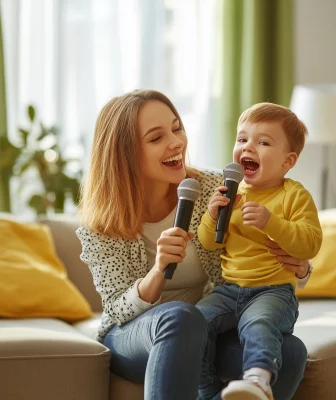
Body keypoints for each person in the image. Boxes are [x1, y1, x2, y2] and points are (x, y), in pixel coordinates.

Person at [76, 90, 313, 400]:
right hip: (135, 335)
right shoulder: (101, 224)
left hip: (204, 327)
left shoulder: (215, 189)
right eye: (156, 137)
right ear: (126, 152)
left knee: (290, 351)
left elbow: (257, 247)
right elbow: (118, 308)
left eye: (177, 128)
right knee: (180, 316)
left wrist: (301, 267)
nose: (176, 142)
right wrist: (159, 270)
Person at [196, 102, 322, 400]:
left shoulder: (294, 195)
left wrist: (272, 223)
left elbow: (310, 243)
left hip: (273, 292)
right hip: (229, 290)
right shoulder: (231, 192)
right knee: (195, 322)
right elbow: (209, 242)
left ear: (287, 161)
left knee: (259, 323)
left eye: (263, 142)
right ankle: (207, 391)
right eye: (242, 139)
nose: (248, 147)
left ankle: (258, 380)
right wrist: (213, 215)